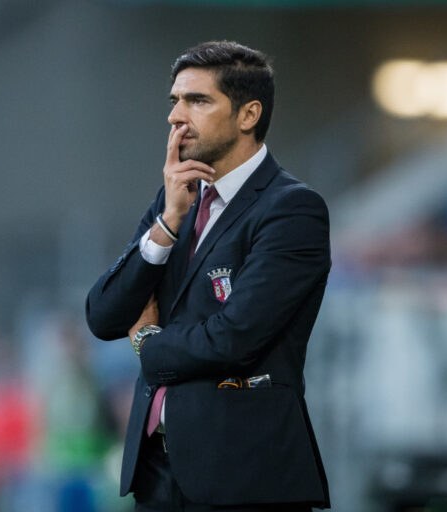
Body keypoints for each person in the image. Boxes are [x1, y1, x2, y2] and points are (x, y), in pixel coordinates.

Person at [86, 40, 331, 511]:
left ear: (248, 115)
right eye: (175, 101)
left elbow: (234, 337)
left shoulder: (292, 209)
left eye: (197, 101)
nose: (175, 117)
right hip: (157, 476)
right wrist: (166, 224)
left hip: (245, 477)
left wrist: (148, 343)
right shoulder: (177, 200)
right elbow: (103, 315)